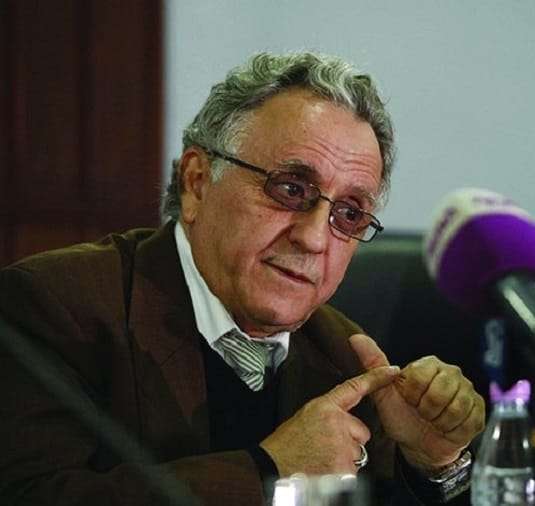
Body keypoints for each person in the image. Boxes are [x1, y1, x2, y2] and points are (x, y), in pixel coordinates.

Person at [0, 52, 485, 505]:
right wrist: (267, 471)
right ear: (196, 181)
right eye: (291, 188)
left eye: (349, 213)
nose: (314, 238)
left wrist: (431, 465)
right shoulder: (54, 306)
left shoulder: (342, 353)